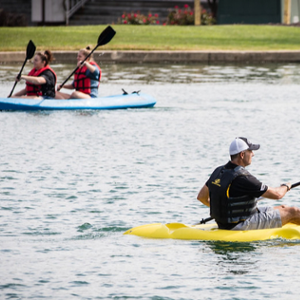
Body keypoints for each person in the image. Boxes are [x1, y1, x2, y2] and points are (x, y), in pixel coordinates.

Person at [197, 137, 300, 230]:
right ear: (242, 155)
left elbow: (201, 197)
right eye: (250, 151)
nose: (253, 154)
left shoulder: (218, 171)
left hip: (224, 223)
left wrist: (223, 210)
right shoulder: (243, 178)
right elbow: (277, 194)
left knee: (282, 208)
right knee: (293, 212)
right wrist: (286, 186)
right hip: (241, 224)